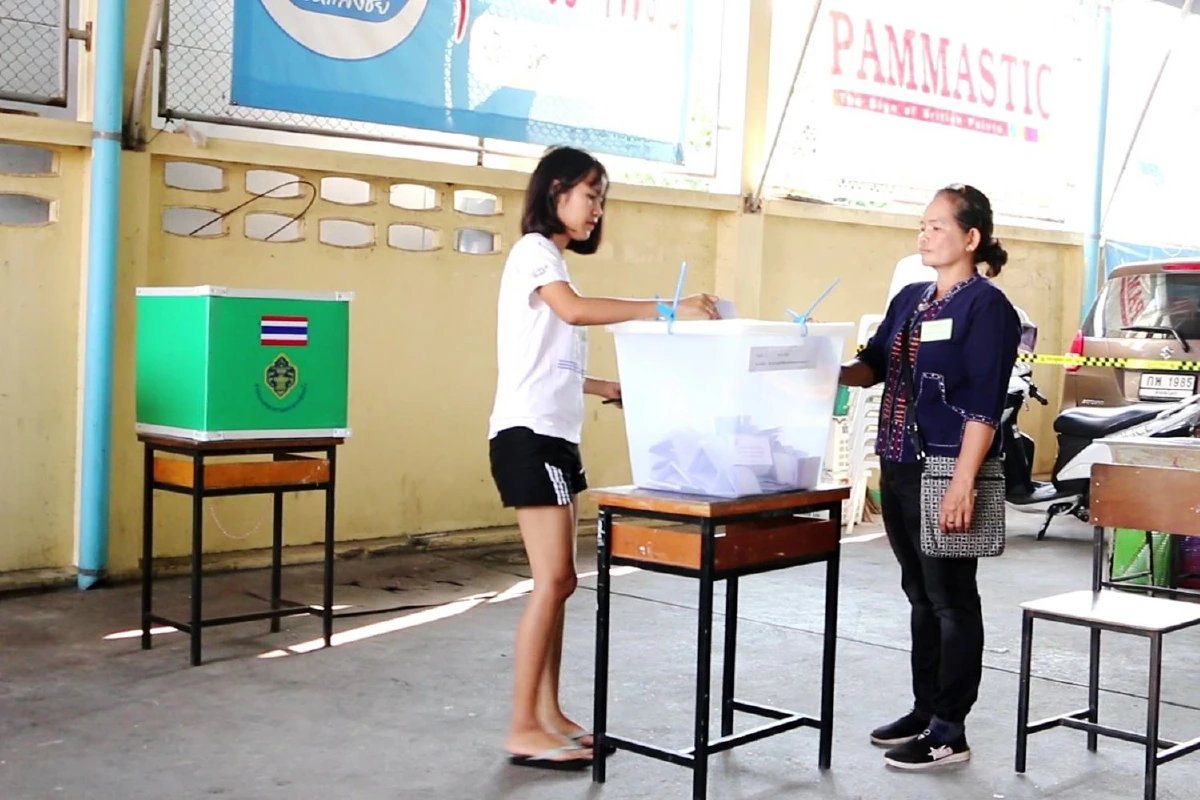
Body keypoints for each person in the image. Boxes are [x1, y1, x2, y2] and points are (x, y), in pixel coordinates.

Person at [487, 145, 720, 771]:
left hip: (553, 437)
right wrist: (667, 309)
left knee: (560, 583)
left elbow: (545, 361)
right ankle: (522, 727)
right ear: (556, 190)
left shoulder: (552, 261)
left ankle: (548, 714)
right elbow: (576, 311)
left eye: (601, 199)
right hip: (528, 438)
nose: (597, 210)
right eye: (591, 196)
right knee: (554, 581)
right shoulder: (535, 251)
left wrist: (605, 388)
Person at [839, 184, 1022, 770]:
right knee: (919, 594)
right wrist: (820, 365)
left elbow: (984, 403)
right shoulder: (910, 299)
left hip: (947, 465)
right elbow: (873, 365)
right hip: (898, 462)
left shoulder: (987, 308)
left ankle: (950, 730)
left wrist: (963, 483)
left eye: (937, 226)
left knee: (951, 599)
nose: (925, 235)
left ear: (971, 238)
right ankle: (925, 709)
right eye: (922, 225)